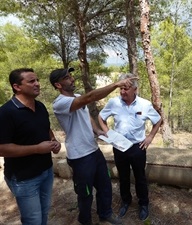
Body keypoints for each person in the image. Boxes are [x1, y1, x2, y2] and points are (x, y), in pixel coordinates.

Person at [49, 67, 136, 225]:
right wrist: (116, 84)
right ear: (58, 85)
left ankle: (105, 214)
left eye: (71, 76)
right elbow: (89, 98)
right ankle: (85, 220)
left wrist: (96, 130)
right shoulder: (60, 103)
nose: (72, 79)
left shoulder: (76, 97)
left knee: (105, 186)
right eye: (67, 78)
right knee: (85, 192)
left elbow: (85, 113)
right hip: (79, 156)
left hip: (94, 151)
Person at [0, 68, 61, 225]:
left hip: (46, 171)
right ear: (17, 87)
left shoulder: (40, 106)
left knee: (44, 213)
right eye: (31, 81)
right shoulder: (6, 113)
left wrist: (54, 141)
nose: (37, 84)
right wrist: (37, 148)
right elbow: (1, 148)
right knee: (33, 220)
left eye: (37, 80)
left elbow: (45, 128)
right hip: (24, 178)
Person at [98, 72, 162, 221]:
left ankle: (143, 204)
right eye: (120, 88)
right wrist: (107, 132)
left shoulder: (144, 105)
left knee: (140, 177)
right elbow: (101, 117)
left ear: (135, 89)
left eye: (126, 88)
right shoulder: (114, 103)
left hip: (137, 147)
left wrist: (150, 137)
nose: (122, 92)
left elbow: (157, 120)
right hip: (119, 147)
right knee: (124, 177)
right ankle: (126, 201)